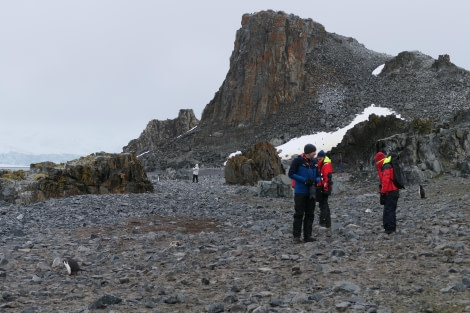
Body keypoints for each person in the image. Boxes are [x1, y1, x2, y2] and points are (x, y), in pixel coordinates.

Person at [288, 144, 320, 243]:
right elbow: (291, 174)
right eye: (313, 152)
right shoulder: (298, 161)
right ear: (308, 152)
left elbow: (319, 175)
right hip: (300, 192)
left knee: (310, 214)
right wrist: (305, 180)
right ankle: (296, 237)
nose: (314, 154)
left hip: (311, 192)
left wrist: (315, 180)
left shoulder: (314, 162)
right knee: (299, 214)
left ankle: (308, 236)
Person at [374, 152, 399, 234]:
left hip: (390, 192)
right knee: (391, 210)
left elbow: (386, 181)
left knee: (388, 210)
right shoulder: (387, 165)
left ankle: (389, 229)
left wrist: (382, 192)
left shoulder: (386, 166)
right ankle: (392, 228)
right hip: (394, 191)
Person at [316, 150, 332, 228]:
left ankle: (323, 222)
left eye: (320, 158)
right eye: (318, 158)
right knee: (324, 204)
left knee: (323, 205)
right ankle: (328, 223)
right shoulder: (322, 164)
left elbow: (326, 178)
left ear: (323, 157)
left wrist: (325, 189)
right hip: (323, 187)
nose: (318, 159)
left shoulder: (326, 165)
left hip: (324, 187)